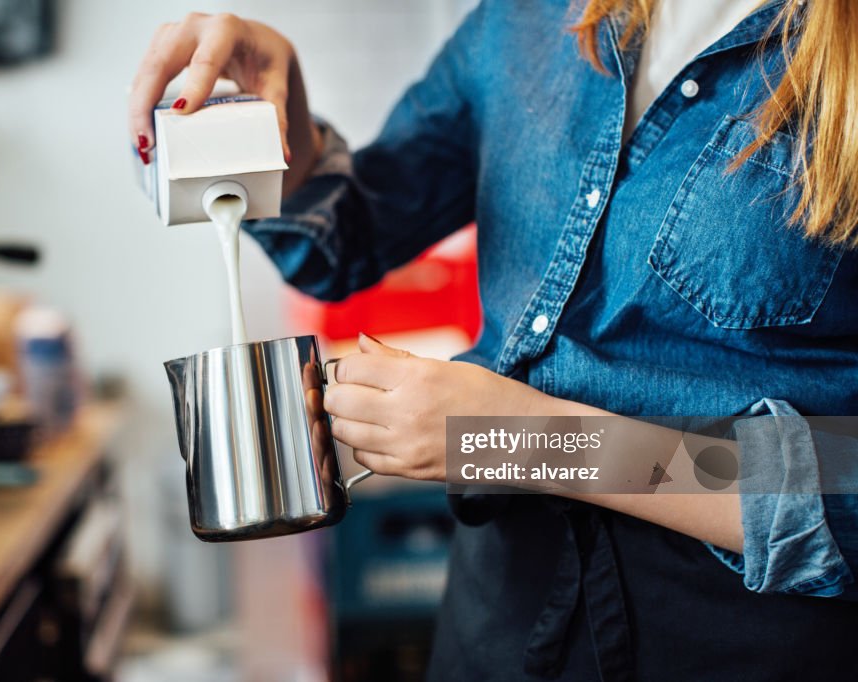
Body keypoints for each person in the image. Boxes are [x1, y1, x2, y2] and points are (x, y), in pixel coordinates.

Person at [129, 1, 858, 679]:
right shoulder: (527, 19)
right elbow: (348, 236)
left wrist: (521, 439)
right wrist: (279, 126)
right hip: (500, 616)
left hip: (739, 642)